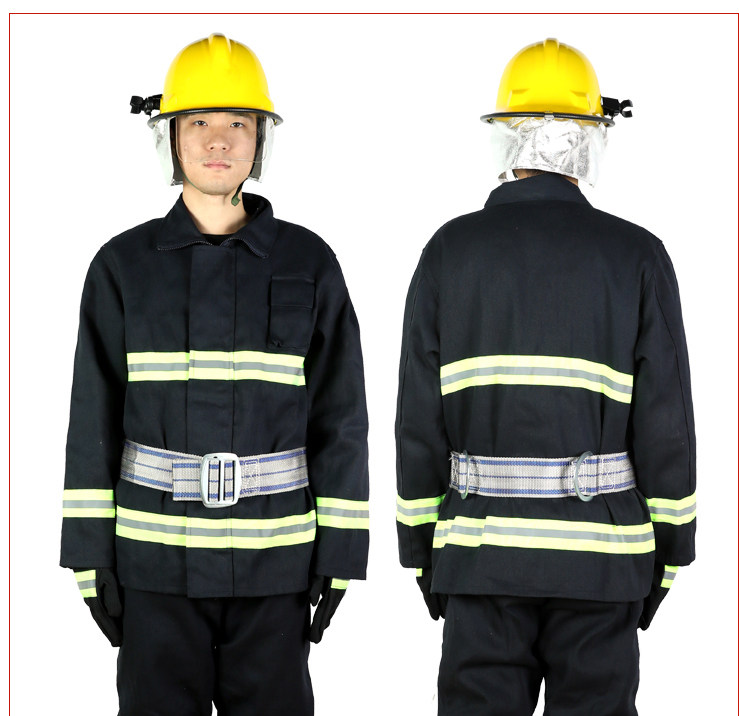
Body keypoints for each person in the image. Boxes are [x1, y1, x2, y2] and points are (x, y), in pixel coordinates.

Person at [61, 33, 369, 715]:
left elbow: (341, 419)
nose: (218, 140)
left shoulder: (310, 263)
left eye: (238, 123)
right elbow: (93, 417)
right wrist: (88, 553)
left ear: (261, 139)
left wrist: (342, 551)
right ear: (170, 136)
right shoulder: (122, 267)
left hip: (274, 564)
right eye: (198, 121)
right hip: (153, 565)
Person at [395, 38, 695, 715]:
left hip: (479, 556)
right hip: (602, 561)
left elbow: (418, 420)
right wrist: (670, 550)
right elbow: (667, 423)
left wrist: (422, 550)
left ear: (507, 135)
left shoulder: (448, 251)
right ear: (591, 138)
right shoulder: (637, 256)